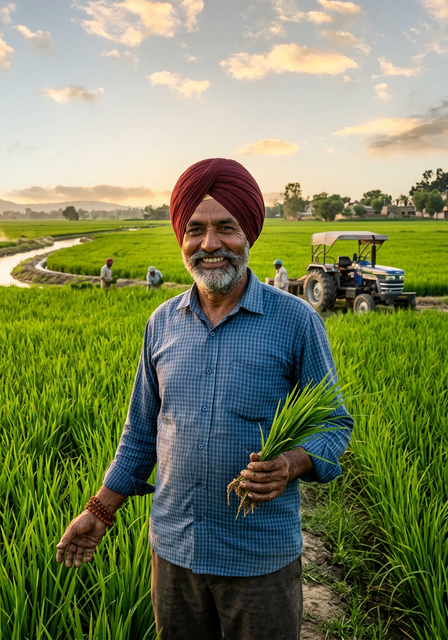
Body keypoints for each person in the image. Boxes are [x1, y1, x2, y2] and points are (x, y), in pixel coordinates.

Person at [56, 158, 353, 640]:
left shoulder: (296, 321)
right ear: (181, 238)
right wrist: (99, 511)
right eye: (195, 230)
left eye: (226, 228)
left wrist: (292, 464)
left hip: (260, 560)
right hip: (174, 555)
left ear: (249, 233)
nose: (210, 244)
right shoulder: (162, 323)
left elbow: (335, 425)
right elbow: (141, 433)